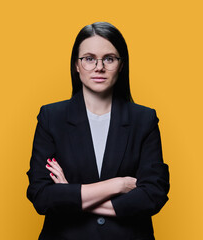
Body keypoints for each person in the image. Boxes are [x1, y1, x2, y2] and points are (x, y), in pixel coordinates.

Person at [26, 22, 170, 240]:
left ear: (121, 65)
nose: (99, 67)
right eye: (89, 58)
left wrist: (71, 194)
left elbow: (153, 195)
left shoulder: (144, 119)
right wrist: (118, 184)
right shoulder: (51, 117)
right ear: (76, 64)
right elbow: (42, 196)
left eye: (109, 59)